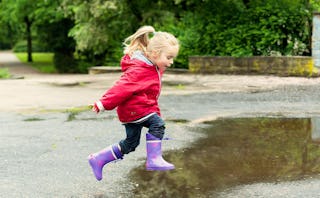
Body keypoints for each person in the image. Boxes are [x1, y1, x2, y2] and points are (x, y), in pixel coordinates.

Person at [88, 25, 180, 181]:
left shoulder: (152, 66)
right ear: (156, 54)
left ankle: (98, 159)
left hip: (136, 111)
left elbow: (150, 96)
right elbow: (121, 87)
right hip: (134, 110)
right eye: (169, 57)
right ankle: (154, 159)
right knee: (158, 124)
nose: (171, 62)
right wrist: (103, 103)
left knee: (130, 144)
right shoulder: (140, 69)